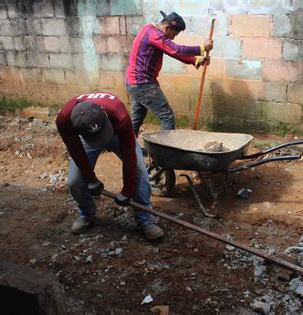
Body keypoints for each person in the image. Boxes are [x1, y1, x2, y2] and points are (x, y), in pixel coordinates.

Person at [55, 92, 164, 240]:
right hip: (87, 138)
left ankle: (145, 221)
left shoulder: (119, 114)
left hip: (116, 132)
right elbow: (76, 150)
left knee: (140, 173)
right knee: (75, 181)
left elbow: (129, 156)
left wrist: (127, 190)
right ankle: (87, 215)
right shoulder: (64, 120)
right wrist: (90, 178)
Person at [125, 10, 213, 136]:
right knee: (167, 116)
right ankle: (165, 152)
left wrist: (196, 60)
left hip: (134, 82)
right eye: (174, 34)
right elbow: (176, 49)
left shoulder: (148, 30)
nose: (173, 38)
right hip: (142, 83)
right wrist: (202, 48)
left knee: (137, 117)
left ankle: (129, 149)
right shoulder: (154, 35)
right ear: (167, 28)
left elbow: (173, 52)